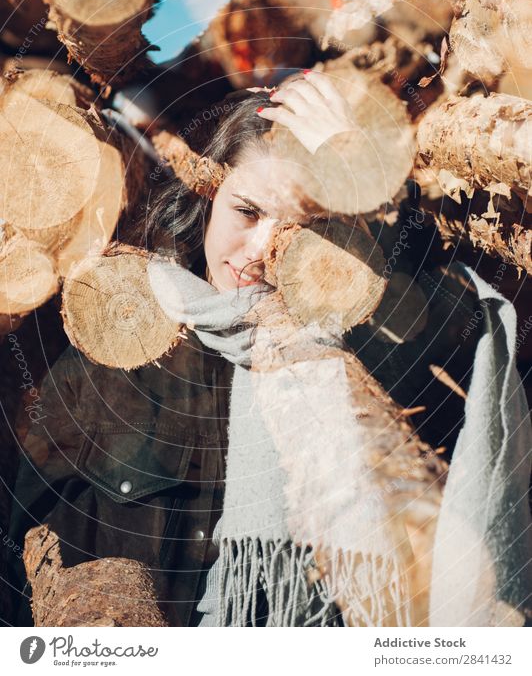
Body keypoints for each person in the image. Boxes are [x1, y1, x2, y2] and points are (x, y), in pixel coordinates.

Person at [7, 73, 528, 626]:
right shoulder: (119, 350)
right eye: (247, 212)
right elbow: (31, 548)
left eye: (302, 227)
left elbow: (445, 300)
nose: (261, 251)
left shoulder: (380, 350)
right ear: (208, 198)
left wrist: (352, 164)